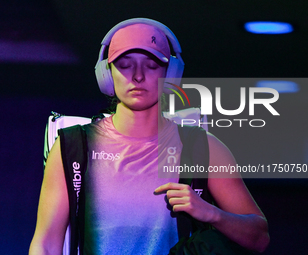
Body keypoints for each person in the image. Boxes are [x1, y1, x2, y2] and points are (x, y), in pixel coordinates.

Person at [29, 18, 269, 255]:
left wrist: (211, 213)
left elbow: (259, 237)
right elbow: (46, 245)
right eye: (124, 64)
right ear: (107, 73)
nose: (138, 76)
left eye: (151, 65)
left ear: (171, 73)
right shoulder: (73, 147)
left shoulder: (202, 146)